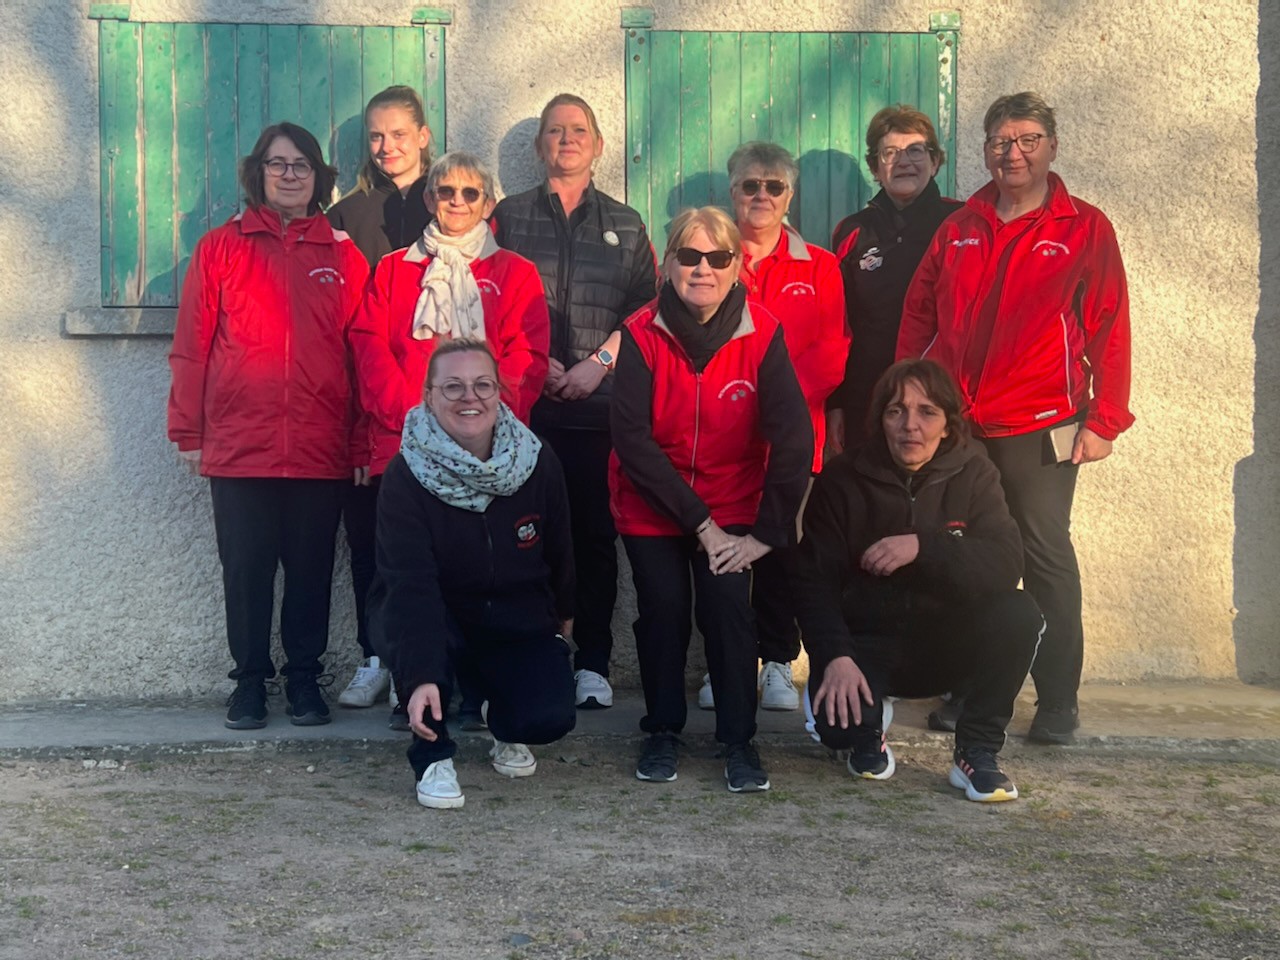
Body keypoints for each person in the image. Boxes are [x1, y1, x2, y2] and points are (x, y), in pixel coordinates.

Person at [898, 92, 1134, 745]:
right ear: (985, 150)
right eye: (1002, 141)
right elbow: (920, 315)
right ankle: (972, 684)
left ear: (1052, 147)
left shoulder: (1084, 228)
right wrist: (918, 402)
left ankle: (1058, 699)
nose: (1014, 152)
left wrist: (1104, 419)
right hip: (964, 428)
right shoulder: (960, 225)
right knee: (968, 559)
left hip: (1042, 424)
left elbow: (1110, 326)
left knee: (1045, 557)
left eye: (1028, 139)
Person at [167, 122, 370, 730]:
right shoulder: (219, 249)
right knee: (248, 569)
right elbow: (191, 347)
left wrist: (363, 439)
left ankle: (305, 682)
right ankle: (249, 683)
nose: (288, 174)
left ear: (318, 178)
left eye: (300, 165)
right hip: (240, 448)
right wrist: (188, 430)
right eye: (277, 164)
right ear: (258, 174)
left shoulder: (343, 255)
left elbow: (364, 357)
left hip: (319, 446)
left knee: (309, 572)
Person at [610, 207, 811, 793]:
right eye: (690, 256)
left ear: (736, 265)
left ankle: (739, 741)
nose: (703, 269)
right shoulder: (639, 332)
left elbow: (795, 437)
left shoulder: (764, 332)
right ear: (669, 262)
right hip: (652, 502)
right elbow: (633, 441)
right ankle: (663, 729)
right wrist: (702, 526)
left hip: (734, 504)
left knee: (727, 611)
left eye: (717, 258)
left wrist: (765, 535)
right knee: (664, 611)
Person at [350, 151, 551, 727]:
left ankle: (474, 686)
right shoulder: (392, 270)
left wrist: (475, 418)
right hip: (408, 443)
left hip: (489, 450)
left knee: (481, 569)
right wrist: (416, 415)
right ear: (429, 198)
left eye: (469, 193)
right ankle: (414, 684)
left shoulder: (515, 272)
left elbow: (527, 356)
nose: (456, 203)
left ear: (487, 203)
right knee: (408, 573)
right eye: (445, 192)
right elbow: (370, 350)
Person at [792, 359, 1043, 802]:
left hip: (948, 646)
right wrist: (834, 656)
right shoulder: (842, 479)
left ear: (947, 424)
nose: (911, 426)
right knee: (836, 731)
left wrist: (924, 547)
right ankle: (868, 727)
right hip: (867, 645)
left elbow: (1007, 562)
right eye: (896, 411)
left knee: (1020, 613)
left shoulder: (976, 472)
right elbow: (813, 581)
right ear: (880, 421)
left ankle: (976, 752)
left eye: (927, 412)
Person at [492, 93, 658, 712]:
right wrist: (534, 366)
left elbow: (647, 309)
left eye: (578, 129)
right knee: (522, 536)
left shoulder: (628, 222)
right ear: (539, 147)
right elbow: (489, 299)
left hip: (597, 411)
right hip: (522, 415)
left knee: (592, 538)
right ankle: (534, 649)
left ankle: (591, 660)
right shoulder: (505, 217)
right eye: (554, 130)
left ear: (598, 146)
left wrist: (598, 365)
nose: (566, 139)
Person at [369, 340, 576, 809]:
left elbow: (561, 550)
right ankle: (433, 753)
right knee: (425, 659)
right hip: (431, 612)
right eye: (454, 387)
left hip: (512, 613)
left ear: (498, 391)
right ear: (429, 395)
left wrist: (562, 619)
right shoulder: (406, 473)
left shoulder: (538, 461)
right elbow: (410, 583)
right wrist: (420, 674)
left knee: (549, 717)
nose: (470, 398)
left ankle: (492, 707)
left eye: (482, 385)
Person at [694, 141, 847, 714]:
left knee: (784, 555)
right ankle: (723, 665)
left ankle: (780, 662)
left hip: (790, 445)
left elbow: (831, 354)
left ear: (790, 195)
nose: (761, 196)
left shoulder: (821, 266)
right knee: (719, 557)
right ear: (732, 194)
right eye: (749, 185)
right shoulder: (706, 258)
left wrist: (772, 409)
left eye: (773, 186)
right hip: (721, 445)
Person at [326, 86, 433, 715]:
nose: (386, 147)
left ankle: (426, 663)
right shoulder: (348, 215)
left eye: (398, 133)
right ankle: (376, 656)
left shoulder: (454, 202)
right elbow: (349, 332)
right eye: (375, 136)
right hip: (370, 413)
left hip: (442, 411)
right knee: (368, 543)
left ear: (423, 135)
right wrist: (365, 428)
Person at [829, 105, 962, 453]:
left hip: (942, 400)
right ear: (875, 167)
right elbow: (839, 326)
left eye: (915, 150)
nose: (904, 161)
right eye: (890, 152)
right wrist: (836, 404)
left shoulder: (963, 224)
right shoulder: (851, 232)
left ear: (935, 162)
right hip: (868, 400)